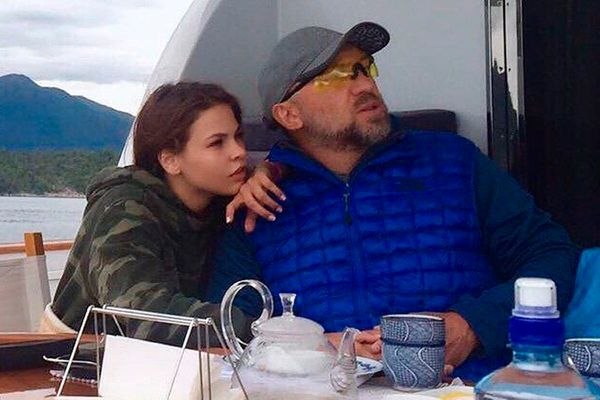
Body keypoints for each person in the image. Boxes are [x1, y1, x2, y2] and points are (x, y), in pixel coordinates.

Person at [207, 22, 580, 380]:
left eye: (364, 68)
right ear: (289, 114)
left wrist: (472, 326)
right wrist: (319, 349)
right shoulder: (258, 207)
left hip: (468, 387)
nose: (365, 85)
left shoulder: (454, 162)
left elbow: (553, 256)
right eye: (338, 76)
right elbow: (225, 337)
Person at [46, 82, 277, 346]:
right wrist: (267, 334)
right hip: (79, 359)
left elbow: (283, 168)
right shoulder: (124, 210)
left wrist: (270, 171)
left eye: (238, 136)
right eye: (217, 143)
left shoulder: (222, 202)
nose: (239, 152)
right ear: (170, 160)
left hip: (177, 362)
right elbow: (144, 317)